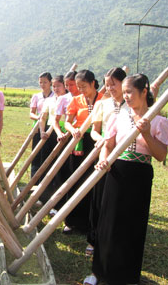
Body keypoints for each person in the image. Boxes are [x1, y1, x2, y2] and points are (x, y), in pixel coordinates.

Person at [85, 74, 168, 285]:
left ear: (144, 92)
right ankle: (99, 272)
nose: (126, 96)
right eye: (124, 92)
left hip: (139, 176)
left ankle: (126, 276)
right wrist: (104, 161)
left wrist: (147, 134)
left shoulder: (159, 121)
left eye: (130, 92)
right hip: (117, 172)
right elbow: (108, 144)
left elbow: (161, 155)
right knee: (109, 222)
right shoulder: (120, 116)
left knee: (132, 225)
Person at [86, 67, 128, 254]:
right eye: (107, 84)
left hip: (125, 157)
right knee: (99, 198)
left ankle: (116, 240)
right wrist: (100, 139)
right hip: (104, 153)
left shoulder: (132, 104)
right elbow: (94, 130)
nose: (110, 88)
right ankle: (94, 239)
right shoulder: (103, 104)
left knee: (118, 200)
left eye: (114, 84)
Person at [63, 69, 102, 234]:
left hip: (97, 142)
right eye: (78, 87)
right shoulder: (76, 100)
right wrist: (72, 130)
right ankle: (72, 221)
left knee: (93, 182)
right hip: (79, 142)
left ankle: (91, 223)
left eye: (84, 86)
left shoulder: (104, 100)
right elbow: (67, 122)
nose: (81, 90)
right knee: (75, 179)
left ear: (93, 83)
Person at [38, 75, 67, 207]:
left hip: (62, 134)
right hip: (49, 134)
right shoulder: (49, 101)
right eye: (54, 86)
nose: (55, 88)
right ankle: (43, 197)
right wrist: (42, 131)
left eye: (58, 86)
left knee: (60, 167)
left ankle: (58, 201)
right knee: (46, 165)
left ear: (64, 86)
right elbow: (43, 118)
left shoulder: (69, 99)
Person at [29, 72, 54, 181]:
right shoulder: (36, 96)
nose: (42, 84)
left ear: (50, 83)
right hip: (38, 128)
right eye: (40, 82)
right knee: (37, 153)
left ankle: (46, 180)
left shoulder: (55, 96)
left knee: (48, 153)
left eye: (45, 82)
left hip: (50, 127)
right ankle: (34, 180)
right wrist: (39, 118)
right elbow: (31, 113)